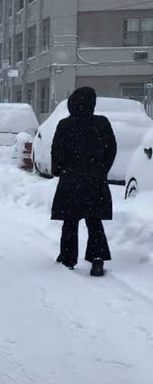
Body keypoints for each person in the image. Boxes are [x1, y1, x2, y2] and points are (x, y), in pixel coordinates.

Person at [50, 86, 117, 276]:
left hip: (71, 179)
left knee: (70, 221)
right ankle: (97, 257)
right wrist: (102, 170)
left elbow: (57, 150)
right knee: (94, 220)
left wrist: (59, 169)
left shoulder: (65, 125)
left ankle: (68, 257)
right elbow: (111, 148)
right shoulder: (102, 123)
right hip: (95, 180)